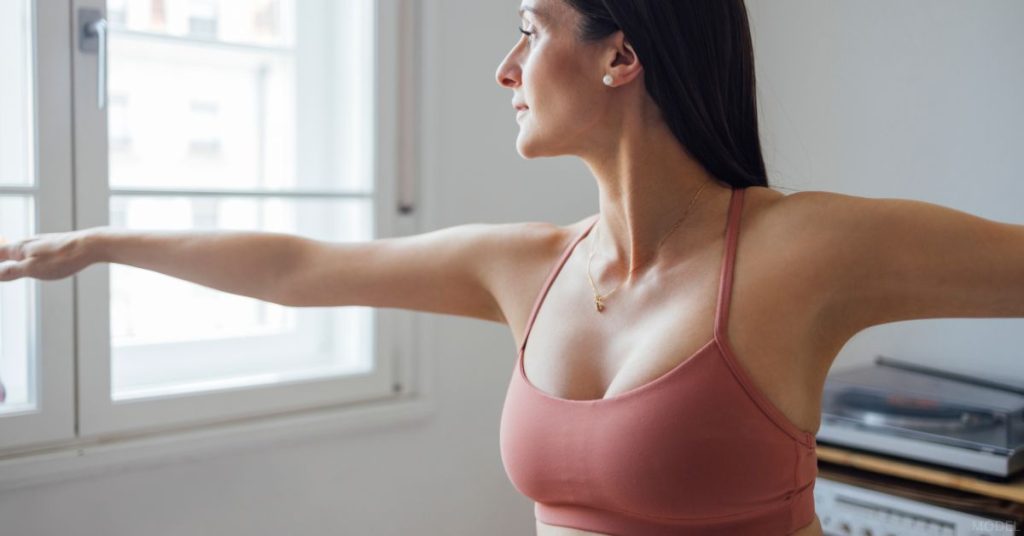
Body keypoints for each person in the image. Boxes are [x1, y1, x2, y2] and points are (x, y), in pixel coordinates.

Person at [1, 1, 1022, 534]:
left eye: (529, 30)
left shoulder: (805, 250)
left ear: (620, 56)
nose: (505, 68)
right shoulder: (526, 266)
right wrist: (96, 244)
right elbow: (302, 267)